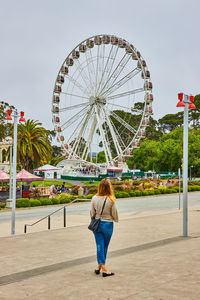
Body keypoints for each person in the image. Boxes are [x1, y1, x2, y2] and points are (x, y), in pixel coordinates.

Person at [90, 178, 118, 277]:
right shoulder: (111, 199)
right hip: (108, 224)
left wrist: (94, 218)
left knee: (99, 245)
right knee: (105, 246)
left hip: (97, 224)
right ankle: (104, 269)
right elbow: (114, 214)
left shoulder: (94, 198)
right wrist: (115, 219)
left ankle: (99, 266)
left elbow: (92, 212)